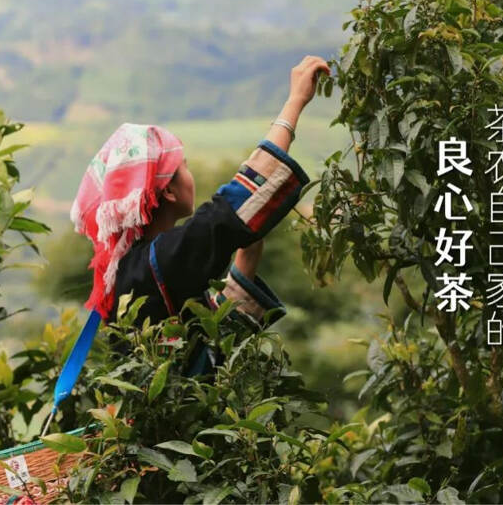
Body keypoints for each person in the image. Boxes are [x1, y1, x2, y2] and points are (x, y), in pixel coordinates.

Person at [70, 56, 331, 371]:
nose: (190, 173)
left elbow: (207, 335)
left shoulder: (135, 266)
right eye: (184, 166)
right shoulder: (163, 258)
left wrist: (250, 234)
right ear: (168, 190)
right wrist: (295, 103)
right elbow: (235, 203)